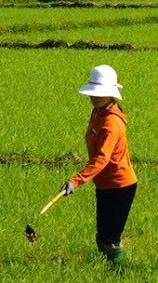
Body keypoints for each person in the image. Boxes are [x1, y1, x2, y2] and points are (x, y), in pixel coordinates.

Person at [58, 65, 137, 266]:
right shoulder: (97, 111)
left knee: (110, 240)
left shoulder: (111, 123)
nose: (94, 97)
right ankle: (106, 270)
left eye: (99, 94)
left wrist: (75, 181)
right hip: (103, 185)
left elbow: (101, 159)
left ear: (111, 94)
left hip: (120, 186)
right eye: (93, 94)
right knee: (101, 237)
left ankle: (123, 273)